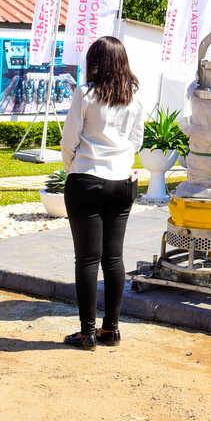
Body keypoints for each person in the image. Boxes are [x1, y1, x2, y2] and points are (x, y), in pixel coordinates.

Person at [60, 36, 146, 350]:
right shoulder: (134, 98)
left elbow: (70, 138)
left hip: (87, 178)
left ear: (95, 62)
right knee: (113, 258)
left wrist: (73, 166)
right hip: (122, 182)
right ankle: (111, 329)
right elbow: (137, 140)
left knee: (86, 259)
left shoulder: (85, 93)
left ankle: (87, 333)